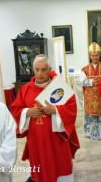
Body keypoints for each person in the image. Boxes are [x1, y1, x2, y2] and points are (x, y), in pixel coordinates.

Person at [10, 54, 80, 182]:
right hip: (36, 140)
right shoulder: (25, 89)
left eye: (43, 69)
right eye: (37, 69)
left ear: (49, 70)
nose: (40, 73)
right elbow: (16, 108)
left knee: (59, 166)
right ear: (33, 70)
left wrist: (55, 110)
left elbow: (71, 107)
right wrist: (27, 112)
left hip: (56, 139)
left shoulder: (59, 87)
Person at [81, 42, 101, 140]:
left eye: (97, 55)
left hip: (100, 95)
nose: (95, 57)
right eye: (93, 55)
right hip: (90, 96)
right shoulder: (84, 69)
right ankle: (91, 133)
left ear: (99, 56)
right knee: (91, 115)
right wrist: (91, 82)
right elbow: (80, 82)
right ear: (90, 56)